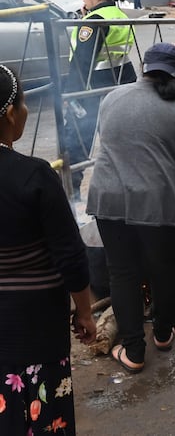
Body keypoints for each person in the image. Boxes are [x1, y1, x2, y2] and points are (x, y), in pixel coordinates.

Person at [87, 43, 175, 374]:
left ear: (144, 67)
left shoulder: (111, 97)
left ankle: (133, 353)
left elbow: (109, 140)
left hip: (108, 200)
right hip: (157, 206)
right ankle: (164, 334)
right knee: (164, 269)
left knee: (122, 274)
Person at [0, 64, 97, 435]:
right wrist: (85, 313)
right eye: (23, 104)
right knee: (43, 412)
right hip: (35, 329)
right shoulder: (35, 176)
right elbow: (70, 256)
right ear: (11, 113)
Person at [64, 0, 137, 200]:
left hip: (92, 90)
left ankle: (71, 190)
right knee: (118, 139)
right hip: (121, 85)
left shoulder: (94, 21)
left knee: (77, 138)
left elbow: (83, 61)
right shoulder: (119, 14)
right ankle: (124, 186)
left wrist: (69, 93)